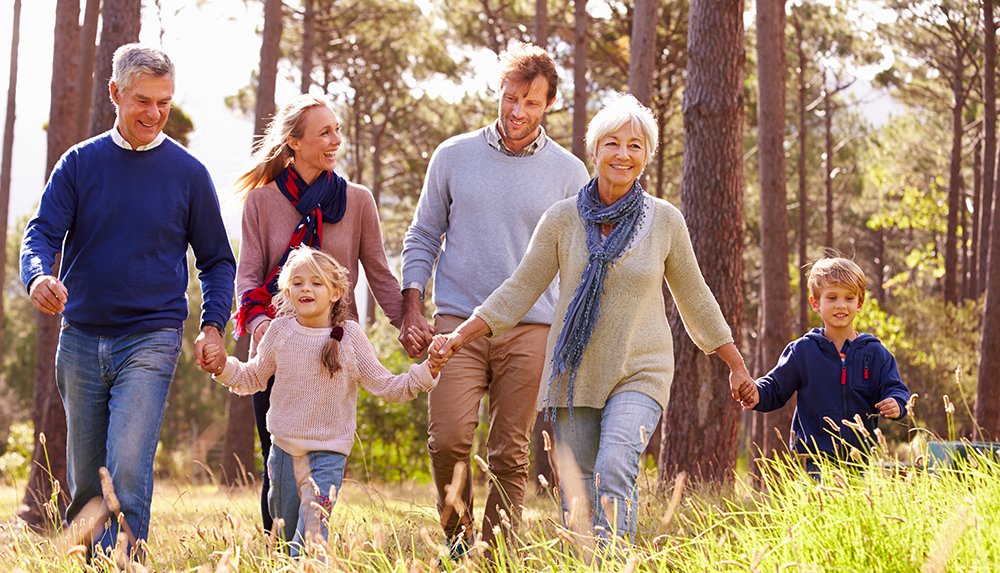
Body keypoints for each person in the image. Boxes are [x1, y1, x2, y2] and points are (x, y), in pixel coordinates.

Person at [432, 94, 756, 545]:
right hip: (576, 373)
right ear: (594, 149)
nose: (623, 154)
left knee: (614, 467)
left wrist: (735, 363)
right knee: (578, 491)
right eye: (612, 143)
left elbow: (695, 296)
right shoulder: (562, 219)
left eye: (635, 146)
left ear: (647, 155)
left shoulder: (665, 220)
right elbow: (520, 289)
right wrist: (460, 334)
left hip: (641, 369)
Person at [19, 44, 235, 558]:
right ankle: (93, 562)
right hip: (80, 340)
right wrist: (36, 278)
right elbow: (41, 234)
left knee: (129, 467)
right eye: (143, 100)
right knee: (89, 477)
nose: (155, 113)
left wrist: (212, 325)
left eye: (164, 102)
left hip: (152, 336)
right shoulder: (79, 163)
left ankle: (126, 565)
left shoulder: (188, 174)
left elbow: (217, 260)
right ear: (115, 93)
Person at [400, 42, 590, 554]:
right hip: (456, 323)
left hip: (532, 326)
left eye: (530, 103)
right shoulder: (453, 155)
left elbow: (579, 260)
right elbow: (423, 235)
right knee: (448, 439)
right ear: (499, 94)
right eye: (509, 98)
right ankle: (459, 546)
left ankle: (497, 555)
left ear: (549, 104)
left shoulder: (570, 174)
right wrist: (412, 306)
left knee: (509, 451)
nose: (516, 112)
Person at [231, 94, 432, 535]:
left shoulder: (357, 201)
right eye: (325, 132)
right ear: (294, 142)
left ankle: (311, 550)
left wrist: (408, 324)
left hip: (335, 352)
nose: (336, 140)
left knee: (324, 464)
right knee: (278, 464)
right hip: (276, 351)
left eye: (337, 130)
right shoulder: (261, 203)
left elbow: (379, 273)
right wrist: (268, 329)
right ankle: (280, 553)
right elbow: (248, 277)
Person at [205, 247, 441, 555]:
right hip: (284, 454)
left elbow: (388, 386)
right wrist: (223, 367)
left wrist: (428, 370)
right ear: (288, 290)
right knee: (286, 538)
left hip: (327, 456)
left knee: (312, 538)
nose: (306, 288)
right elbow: (252, 378)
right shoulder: (279, 331)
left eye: (316, 283)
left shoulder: (350, 338)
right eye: (298, 282)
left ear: (336, 292)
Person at [749, 257, 911, 468]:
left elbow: (896, 389)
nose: (841, 305)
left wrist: (897, 404)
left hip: (859, 460)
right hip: (814, 458)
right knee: (819, 502)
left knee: (856, 502)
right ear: (816, 303)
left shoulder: (875, 353)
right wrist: (755, 393)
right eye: (832, 297)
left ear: (860, 303)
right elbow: (774, 388)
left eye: (849, 298)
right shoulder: (802, 351)